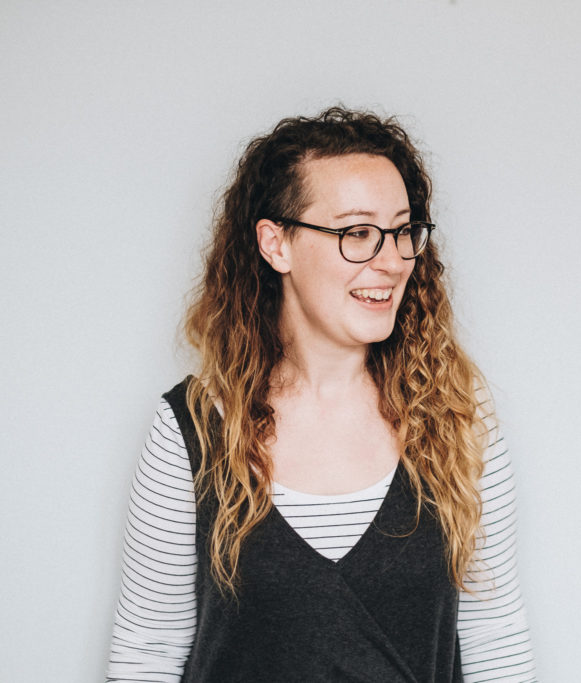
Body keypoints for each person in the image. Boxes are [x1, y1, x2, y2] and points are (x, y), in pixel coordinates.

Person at [106, 107, 537, 682]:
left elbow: (493, 636)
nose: (391, 261)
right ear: (275, 244)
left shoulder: (460, 422)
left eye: (404, 231)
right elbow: (148, 652)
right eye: (356, 233)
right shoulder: (191, 427)